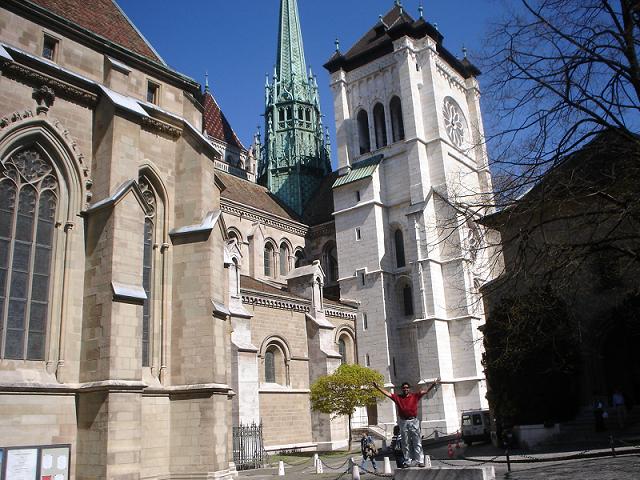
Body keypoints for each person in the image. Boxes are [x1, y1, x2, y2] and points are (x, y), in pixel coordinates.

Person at [374, 379, 439, 467]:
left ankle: (420, 460)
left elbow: (426, 391)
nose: (405, 389)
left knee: (417, 441)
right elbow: (387, 394)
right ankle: (408, 461)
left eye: (407, 388)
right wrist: (377, 387)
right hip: (403, 421)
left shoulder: (415, 396)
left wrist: (433, 384)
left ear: (409, 389)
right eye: (404, 388)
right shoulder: (398, 398)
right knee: (405, 442)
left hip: (414, 421)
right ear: (402, 389)